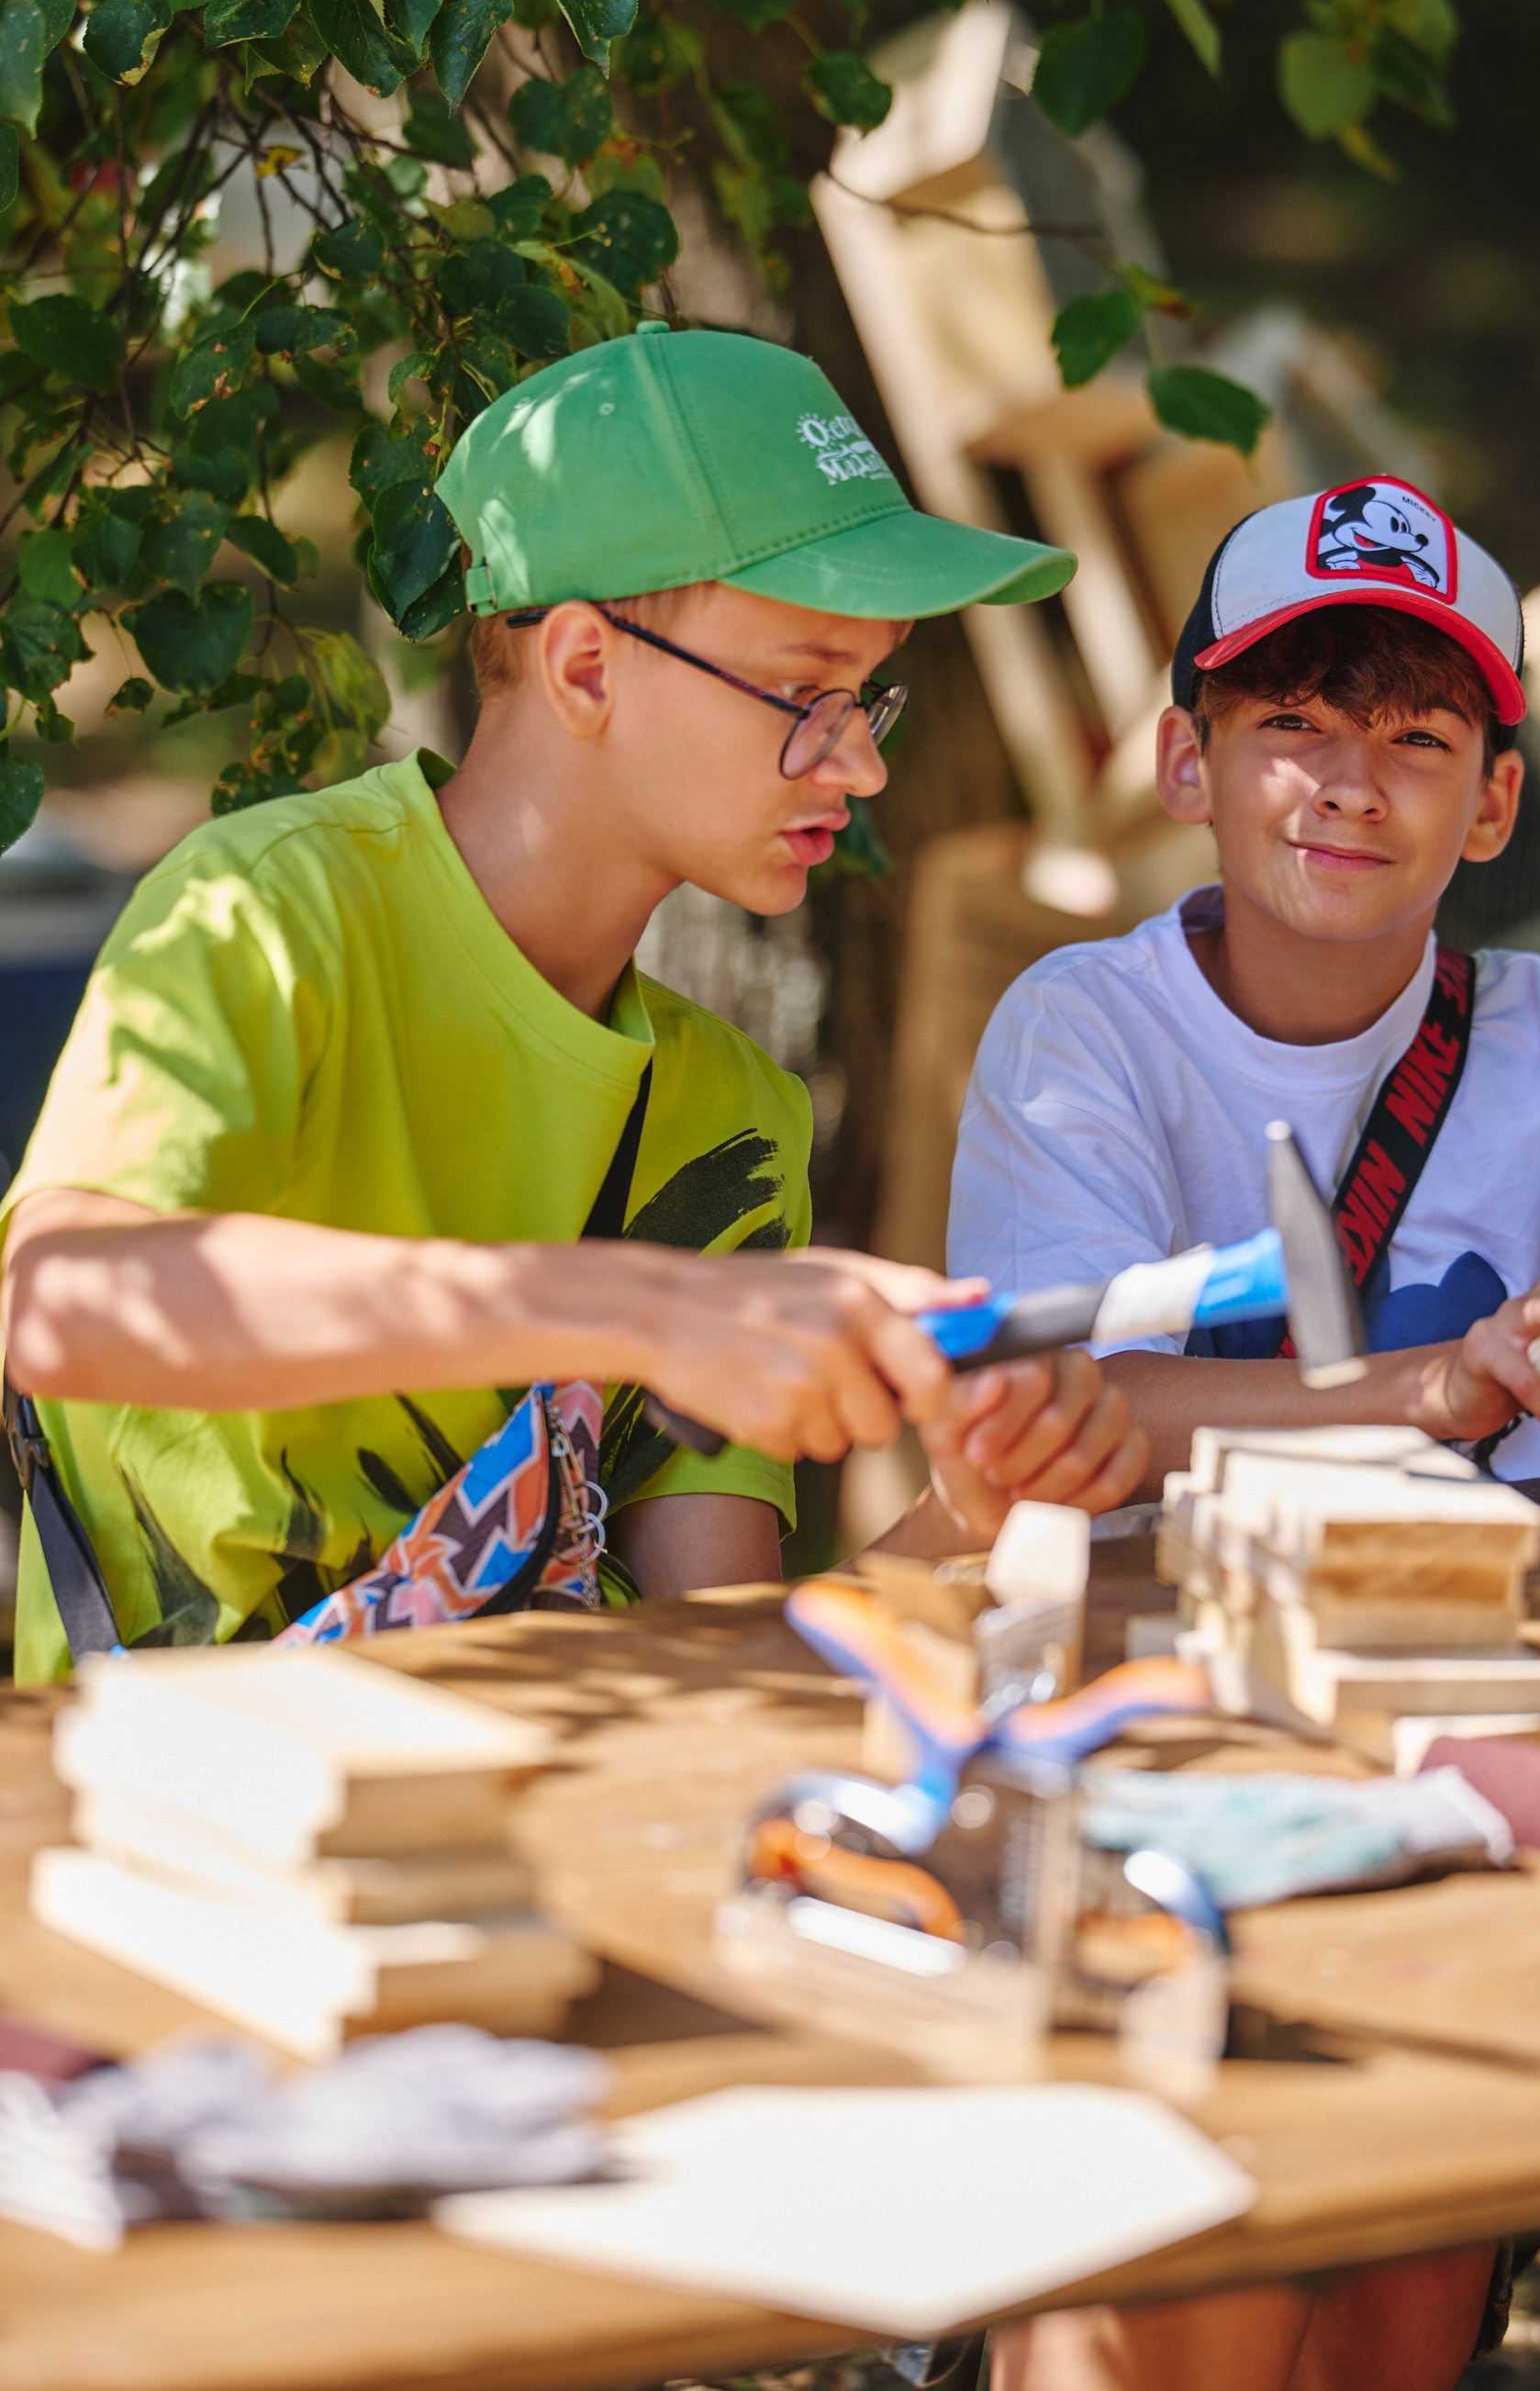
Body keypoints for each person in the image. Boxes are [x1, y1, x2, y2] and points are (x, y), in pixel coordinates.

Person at [946, 474, 1540, 2391]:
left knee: (1406, 2285)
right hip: (1162, 1760)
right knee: (1182, 2279)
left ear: (1492, 802)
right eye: (1289, 724)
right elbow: (1043, 1412)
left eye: (1416, 737)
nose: (1346, 780)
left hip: (1480, 1769)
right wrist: (1436, 1382)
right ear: (1185, 758)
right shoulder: (1083, 1032)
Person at [0, 325, 1144, 1683]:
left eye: (866, 701)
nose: (862, 768)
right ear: (585, 667)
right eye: (801, 693)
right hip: (190, 1836)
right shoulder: (267, 907)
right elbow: (59, 1301)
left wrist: (972, 1511)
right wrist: (636, 1308)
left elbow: (706, 1659)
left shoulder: (730, 1114)